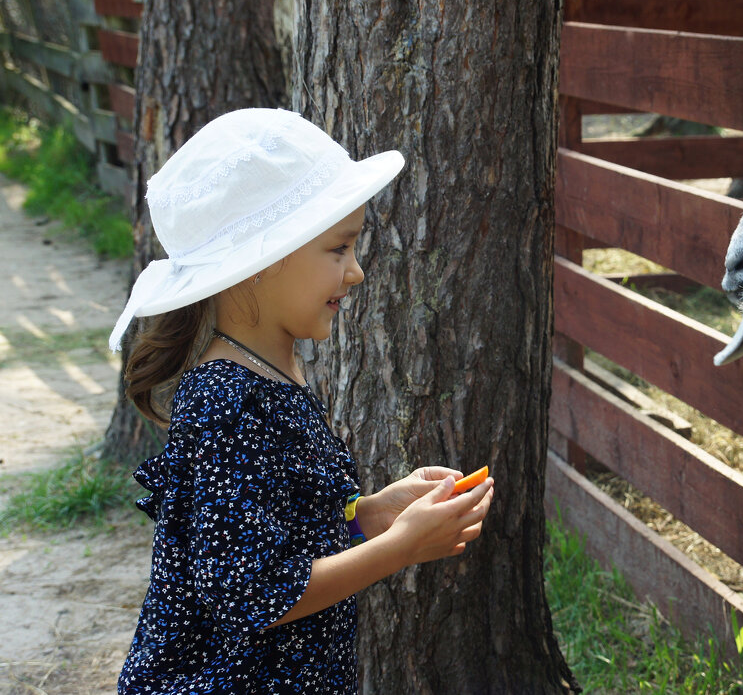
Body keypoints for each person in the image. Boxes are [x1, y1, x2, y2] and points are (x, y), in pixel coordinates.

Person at [109, 108, 495, 694]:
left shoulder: (267, 375)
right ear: (263, 260)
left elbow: (277, 534)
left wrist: (374, 514)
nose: (357, 272)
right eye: (338, 249)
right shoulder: (224, 401)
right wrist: (399, 547)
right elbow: (253, 591)